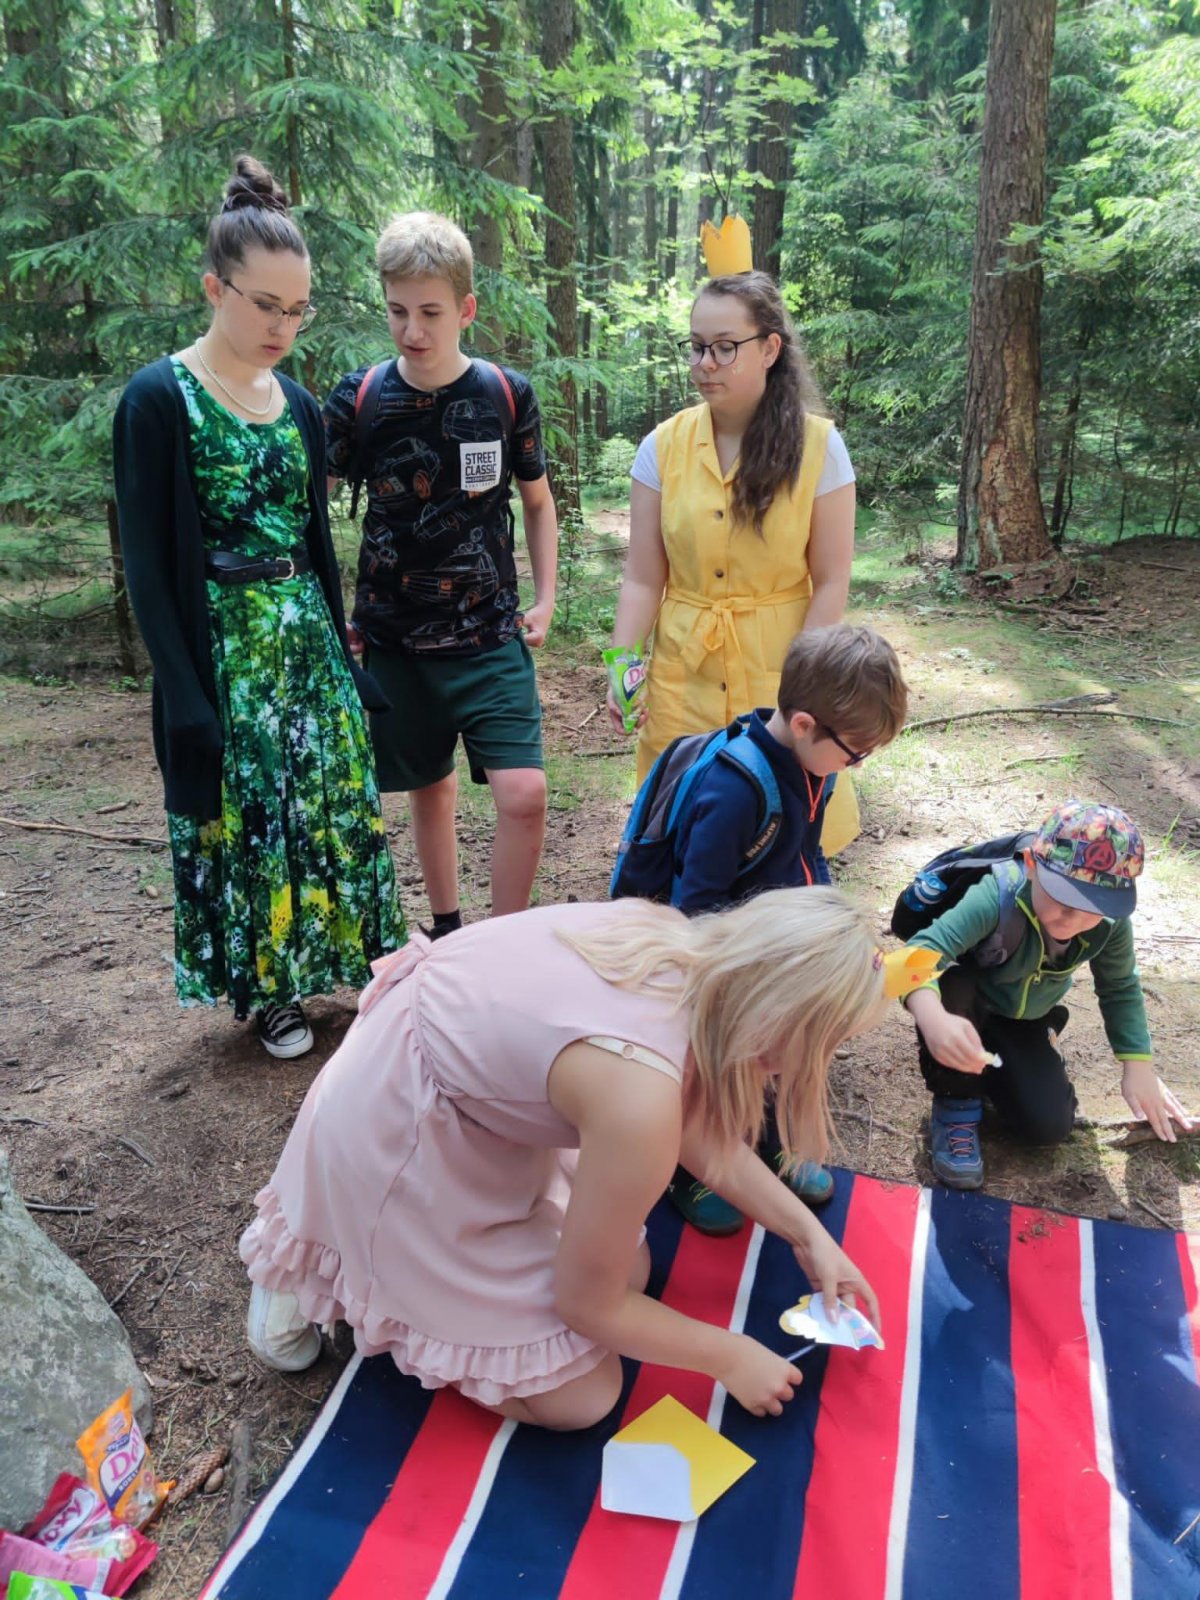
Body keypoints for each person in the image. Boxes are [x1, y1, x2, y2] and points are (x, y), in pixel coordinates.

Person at [240, 889, 888, 1430]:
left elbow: (695, 1129)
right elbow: (588, 1306)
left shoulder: (675, 942)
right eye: (827, 1046)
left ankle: (361, 1260)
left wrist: (807, 1235)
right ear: (781, 1035)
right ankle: (321, 1265)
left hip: (454, 1109)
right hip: (396, 1140)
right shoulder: (639, 1099)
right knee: (583, 1397)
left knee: (628, 1271)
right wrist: (729, 1357)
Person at [112, 156, 404, 1059]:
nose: (283, 326)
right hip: (227, 650)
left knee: (330, 804)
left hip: (306, 639)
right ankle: (270, 992)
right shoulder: (158, 399)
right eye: (267, 305)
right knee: (251, 818)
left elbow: (315, 541)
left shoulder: (302, 406)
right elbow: (148, 565)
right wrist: (184, 694)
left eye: (299, 309)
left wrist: (347, 661)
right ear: (215, 288)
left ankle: (357, 964)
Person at [625, 624, 908, 1235]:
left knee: (787, 1037)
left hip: (769, 938)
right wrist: (743, 982)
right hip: (710, 949)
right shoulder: (734, 789)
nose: (856, 764)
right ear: (805, 724)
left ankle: (769, 1142)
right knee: (719, 1054)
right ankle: (693, 1162)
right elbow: (695, 911)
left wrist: (825, 927)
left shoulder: (815, 766)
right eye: (856, 753)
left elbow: (808, 853)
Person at [324, 212, 558, 935]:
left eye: (430, 312)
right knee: (430, 788)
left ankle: (503, 946)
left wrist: (546, 597)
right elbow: (307, 514)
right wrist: (333, 616)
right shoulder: (359, 398)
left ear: (466, 309)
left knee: (524, 794)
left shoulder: (505, 394)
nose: (412, 330)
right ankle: (449, 928)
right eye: (398, 311)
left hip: (489, 633)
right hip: (395, 641)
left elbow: (538, 502)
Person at [607, 266, 859, 856]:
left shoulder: (820, 448)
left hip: (780, 671)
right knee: (680, 837)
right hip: (683, 675)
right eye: (697, 347)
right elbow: (643, 577)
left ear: (770, 349)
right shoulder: (661, 448)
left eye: (725, 348)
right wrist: (623, 665)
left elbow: (831, 582)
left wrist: (808, 688)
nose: (705, 364)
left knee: (778, 841)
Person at [902, 800, 1195, 1189]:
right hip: (965, 1005)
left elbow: (1120, 986)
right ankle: (956, 1101)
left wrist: (1138, 1066)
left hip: (1024, 1018)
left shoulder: (1110, 924)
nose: (1073, 920)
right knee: (954, 984)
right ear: (1031, 865)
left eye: (1092, 907)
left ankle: (1001, 1064)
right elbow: (918, 954)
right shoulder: (998, 894)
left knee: (1048, 1127)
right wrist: (932, 1017)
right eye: (1063, 899)